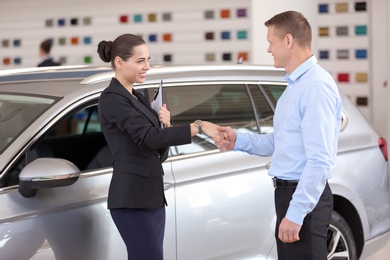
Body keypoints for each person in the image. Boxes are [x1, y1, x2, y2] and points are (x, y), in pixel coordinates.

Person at [213, 11, 342, 260]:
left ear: (289, 41)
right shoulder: (295, 87)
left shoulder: (315, 87)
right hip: (288, 195)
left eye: (271, 41)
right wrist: (237, 140)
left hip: (302, 199)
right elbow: (279, 142)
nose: (269, 49)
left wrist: (295, 213)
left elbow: (320, 161)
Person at [97, 33, 221, 260]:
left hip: (151, 196)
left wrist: (165, 124)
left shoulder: (137, 97)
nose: (147, 67)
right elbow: (149, 138)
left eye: (148, 59)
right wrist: (198, 127)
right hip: (131, 199)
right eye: (140, 61)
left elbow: (157, 152)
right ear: (119, 62)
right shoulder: (112, 98)